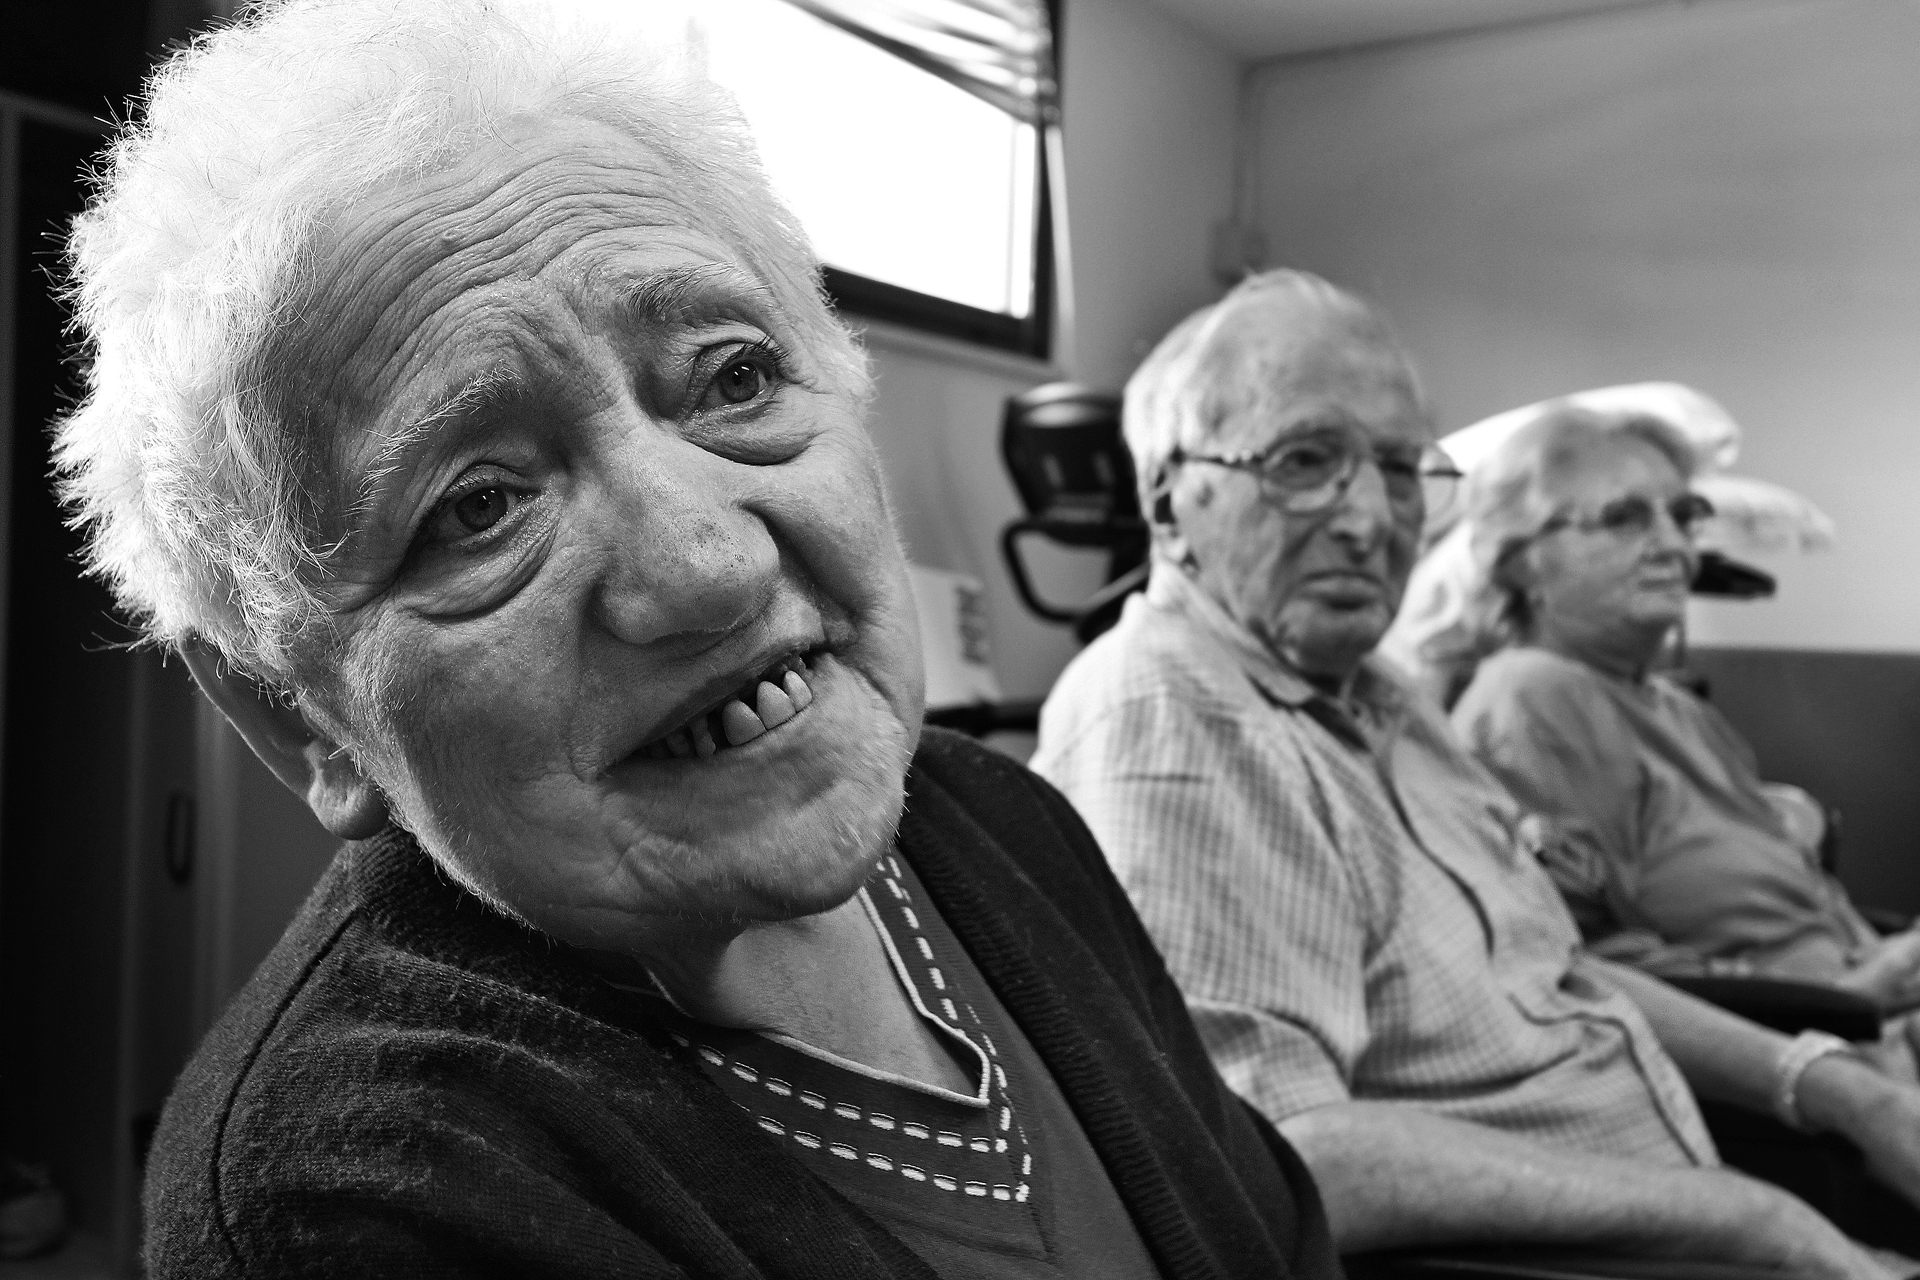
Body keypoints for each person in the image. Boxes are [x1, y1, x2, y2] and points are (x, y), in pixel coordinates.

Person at [55, 4, 1339, 1276]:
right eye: (480, 506)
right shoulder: (352, 1206)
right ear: (300, 715)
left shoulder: (1005, 823)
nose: (710, 567)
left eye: (735, 379)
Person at [1031, 269, 1920, 1277]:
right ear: (1169, 502)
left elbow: (1559, 969)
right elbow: (1277, 1159)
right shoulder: (1176, 714)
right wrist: (1750, 1218)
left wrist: (1830, 1081)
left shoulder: (1385, 699)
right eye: (1305, 460)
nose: (1372, 519)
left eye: (1400, 469)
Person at [1446, 404, 1920, 1058]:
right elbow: (1584, 967)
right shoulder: (1533, 700)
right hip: (1792, 1054)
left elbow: (1797, 907)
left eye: (1682, 514)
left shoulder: (1677, 708)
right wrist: (1849, 997)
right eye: (1625, 517)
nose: (1673, 546)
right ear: (1522, 560)